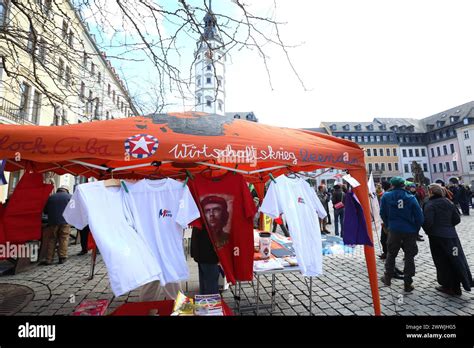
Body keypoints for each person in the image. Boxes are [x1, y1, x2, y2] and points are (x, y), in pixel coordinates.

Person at [422, 184, 473, 296]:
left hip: (437, 238)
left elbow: (428, 222)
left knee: (442, 262)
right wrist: (448, 227)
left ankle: (449, 286)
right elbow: (456, 219)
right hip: (452, 236)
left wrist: (429, 231)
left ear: (430, 192)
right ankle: (458, 285)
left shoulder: (430, 204)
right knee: (456, 259)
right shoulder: (448, 202)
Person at [380, 177, 424, 292]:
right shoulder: (411, 197)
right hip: (409, 230)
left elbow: (382, 213)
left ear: (392, 185)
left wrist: (388, 225)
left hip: (394, 229)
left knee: (391, 254)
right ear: (404, 185)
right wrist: (415, 229)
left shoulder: (386, 196)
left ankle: (388, 277)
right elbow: (419, 217)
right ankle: (408, 282)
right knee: (409, 256)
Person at [41, 185, 72, 265]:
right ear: (66, 190)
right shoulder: (70, 197)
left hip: (53, 222)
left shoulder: (51, 197)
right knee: (64, 239)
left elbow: (45, 211)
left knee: (52, 239)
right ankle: (62, 257)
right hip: (65, 221)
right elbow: (73, 210)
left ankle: (49, 259)